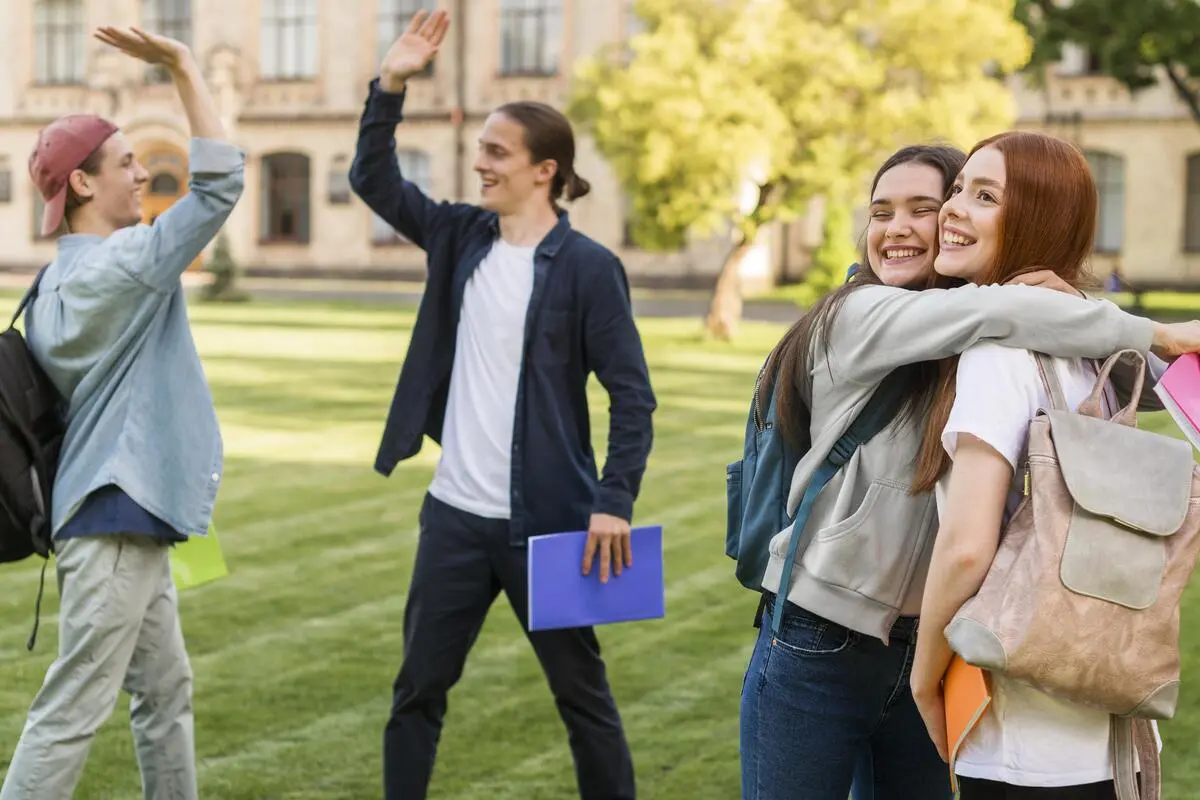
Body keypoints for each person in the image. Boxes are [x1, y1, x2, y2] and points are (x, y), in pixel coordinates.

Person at [738, 142, 1200, 800]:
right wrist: (1160, 331)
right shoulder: (858, 314)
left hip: (937, 641)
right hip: (824, 642)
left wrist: (1067, 298)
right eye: (881, 211)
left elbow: (1138, 388)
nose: (899, 227)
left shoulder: (985, 338)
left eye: (924, 207)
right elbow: (994, 309)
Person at [349, 10, 655, 800]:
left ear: (544, 169)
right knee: (416, 693)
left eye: (495, 152)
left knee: (582, 701)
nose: (479, 163)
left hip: (550, 526)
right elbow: (373, 181)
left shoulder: (589, 269)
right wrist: (391, 84)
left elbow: (632, 397)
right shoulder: (459, 236)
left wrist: (613, 502)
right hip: (453, 517)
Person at [0, 25, 244, 800]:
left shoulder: (56, 285)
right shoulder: (121, 269)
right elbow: (218, 186)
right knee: (71, 710)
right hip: (111, 521)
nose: (143, 175)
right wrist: (181, 65)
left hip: (121, 516)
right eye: (127, 163)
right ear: (79, 184)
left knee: (164, 694)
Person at [910, 131, 1156, 798]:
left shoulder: (1001, 356)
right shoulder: (1096, 365)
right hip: (1106, 717)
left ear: (1034, 222)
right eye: (959, 188)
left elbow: (965, 548)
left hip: (1018, 724)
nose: (953, 208)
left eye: (984, 197)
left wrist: (923, 674)